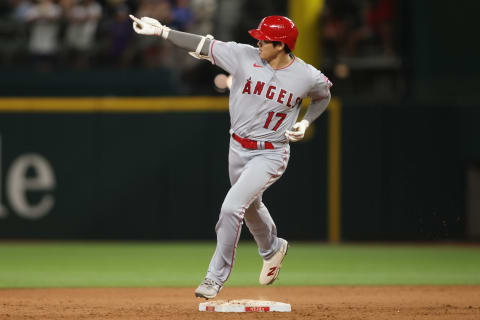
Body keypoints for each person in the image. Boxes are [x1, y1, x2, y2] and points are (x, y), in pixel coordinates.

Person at [129, 14, 332, 299]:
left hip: (271, 152)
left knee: (231, 207)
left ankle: (214, 278)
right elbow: (202, 44)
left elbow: (324, 95)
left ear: (282, 45)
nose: (258, 41)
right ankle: (273, 249)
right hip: (237, 147)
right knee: (249, 207)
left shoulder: (306, 75)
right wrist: (162, 31)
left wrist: (306, 121)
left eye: (264, 38)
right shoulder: (242, 55)